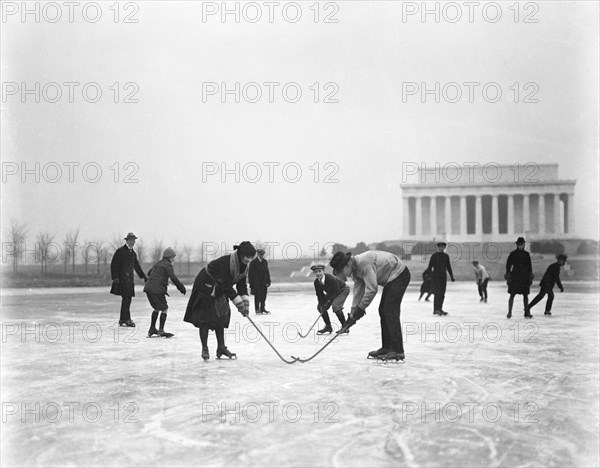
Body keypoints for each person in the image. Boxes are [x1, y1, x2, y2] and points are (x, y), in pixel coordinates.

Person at [330, 250, 411, 361]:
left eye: (342, 271)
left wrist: (361, 309)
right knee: (383, 310)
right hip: (390, 280)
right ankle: (387, 347)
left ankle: (398, 350)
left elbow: (372, 289)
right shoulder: (355, 270)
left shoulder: (363, 263)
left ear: (347, 264)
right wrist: (353, 313)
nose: (344, 275)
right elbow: (358, 291)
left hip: (399, 275)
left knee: (390, 310)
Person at [184, 242, 256, 360]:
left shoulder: (244, 266)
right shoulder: (227, 262)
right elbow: (227, 286)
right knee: (205, 318)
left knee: (222, 316)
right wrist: (239, 304)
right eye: (247, 257)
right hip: (205, 285)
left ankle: (221, 347)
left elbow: (241, 285)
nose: (249, 260)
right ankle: (205, 348)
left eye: (251, 257)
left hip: (220, 287)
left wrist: (246, 304)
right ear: (241, 254)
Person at [143, 247, 187, 338]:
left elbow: (148, 273)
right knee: (164, 308)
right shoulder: (168, 265)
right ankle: (161, 329)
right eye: (173, 257)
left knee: (157, 307)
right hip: (157, 289)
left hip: (149, 288)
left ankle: (152, 328)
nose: (173, 259)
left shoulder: (158, 263)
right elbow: (173, 277)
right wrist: (181, 287)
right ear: (169, 257)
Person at [110, 232, 148, 327]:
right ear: (127, 241)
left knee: (127, 299)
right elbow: (114, 264)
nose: (133, 242)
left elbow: (137, 266)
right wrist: (115, 277)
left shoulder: (133, 253)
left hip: (129, 280)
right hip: (122, 280)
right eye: (131, 240)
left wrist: (143, 276)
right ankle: (126, 319)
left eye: (134, 240)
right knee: (126, 299)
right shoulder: (120, 251)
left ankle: (123, 319)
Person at [311, 263, 350, 334]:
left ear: (323, 271)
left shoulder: (330, 278)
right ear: (314, 273)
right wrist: (322, 305)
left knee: (336, 307)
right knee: (320, 308)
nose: (318, 273)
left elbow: (337, 291)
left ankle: (345, 327)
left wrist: (328, 301)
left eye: (320, 271)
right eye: (316, 272)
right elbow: (320, 295)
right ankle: (328, 327)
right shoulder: (316, 282)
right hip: (332, 292)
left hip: (342, 290)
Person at [505, 237, 534, 319]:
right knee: (512, 295)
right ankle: (509, 312)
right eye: (519, 245)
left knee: (525, 295)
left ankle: (526, 312)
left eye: (521, 245)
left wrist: (530, 277)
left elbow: (529, 267)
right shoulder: (513, 254)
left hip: (524, 277)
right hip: (515, 276)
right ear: (517, 245)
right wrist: (508, 276)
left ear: (524, 245)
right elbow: (508, 265)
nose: (520, 246)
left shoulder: (526, 254)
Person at [425, 241, 455, 316]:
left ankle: (440, 309)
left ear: (445, 247)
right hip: (436, 277)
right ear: (438, 247)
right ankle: (436, 310)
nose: (441, 248)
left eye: (443, 247)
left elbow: (448, 267)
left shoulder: (446, 256)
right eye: (440, 247)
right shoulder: (434, 256)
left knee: (442, 294)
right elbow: (430, 266)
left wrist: (451, 276)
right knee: (437, 293)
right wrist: (429, 276)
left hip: (443, 277)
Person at [248, 248, 271, 314]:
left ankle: (262, 309)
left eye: (262, 254)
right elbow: (250, 274)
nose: (261, 255)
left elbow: (267, 272)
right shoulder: (253, 262)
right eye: (260, 254)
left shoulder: (265, 262)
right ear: (257, 254)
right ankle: (257, 309)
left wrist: (268, 281)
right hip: (256, 283)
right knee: (257, 296)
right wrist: (251, 283)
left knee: (263, 296)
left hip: (264, 283)